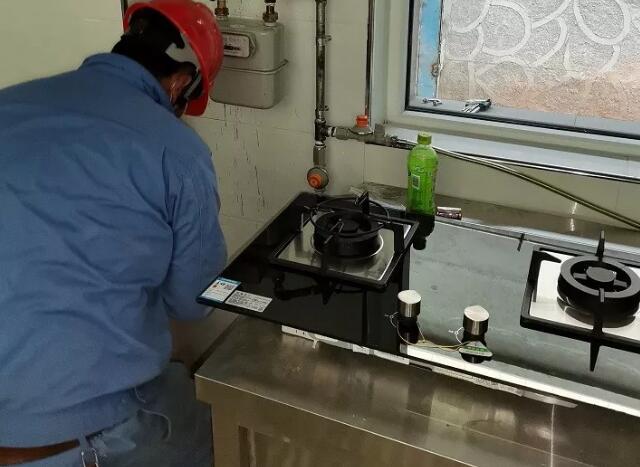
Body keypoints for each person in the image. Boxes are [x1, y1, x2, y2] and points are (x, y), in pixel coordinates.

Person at [0, 1, 226, 465]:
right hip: (76, 436)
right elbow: (193, 302)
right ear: (179, 83)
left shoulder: (9, 104)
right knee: (216, 428)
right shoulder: (179, 153)